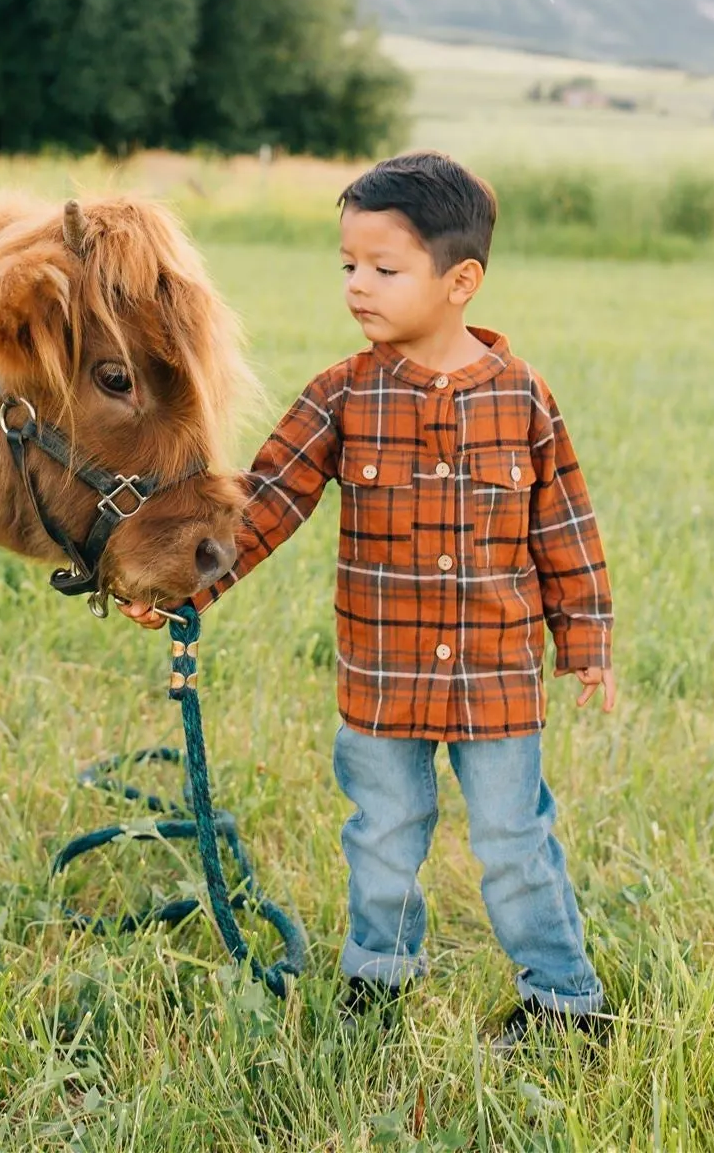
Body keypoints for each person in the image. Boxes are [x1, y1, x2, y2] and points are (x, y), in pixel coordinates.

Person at [123, 150, 615, 1048]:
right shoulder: (342, 396)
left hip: (499, 682)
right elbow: (264, 504)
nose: (358, 286)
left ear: (460, 280)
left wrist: (585, 642)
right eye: (347, 265)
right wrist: (184, 583)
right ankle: (378, 979)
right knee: (383, 838)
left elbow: (564, 527)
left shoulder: (522, 398)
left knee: (513, 846)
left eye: (383, 269)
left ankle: (564, 1001)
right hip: (381, 683)